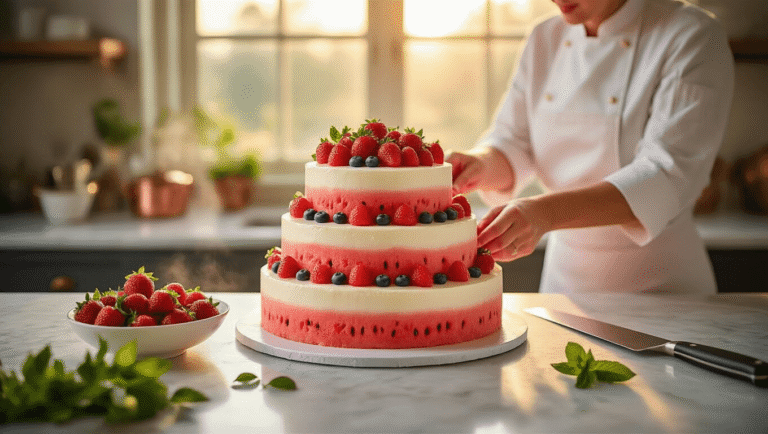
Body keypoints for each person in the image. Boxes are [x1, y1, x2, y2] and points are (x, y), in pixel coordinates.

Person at [447, 0, 734, 294]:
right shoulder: (545, 37)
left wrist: (544, 214)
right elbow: (513, 142)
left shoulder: (691, 35)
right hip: (564, 287)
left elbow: (664, 176)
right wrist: (478, 165)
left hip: (662, 288)